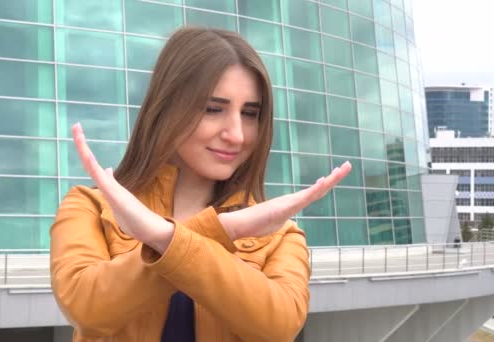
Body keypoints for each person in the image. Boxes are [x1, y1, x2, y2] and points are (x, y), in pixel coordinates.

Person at [50, 27, 351, 341]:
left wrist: (163, 237)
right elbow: (88, 308)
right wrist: (224, 230)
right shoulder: (90, 207)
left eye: (250, 113)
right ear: (167, 108)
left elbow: (279, 326)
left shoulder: (278, 234)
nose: (236, 134)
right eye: (213, 109)